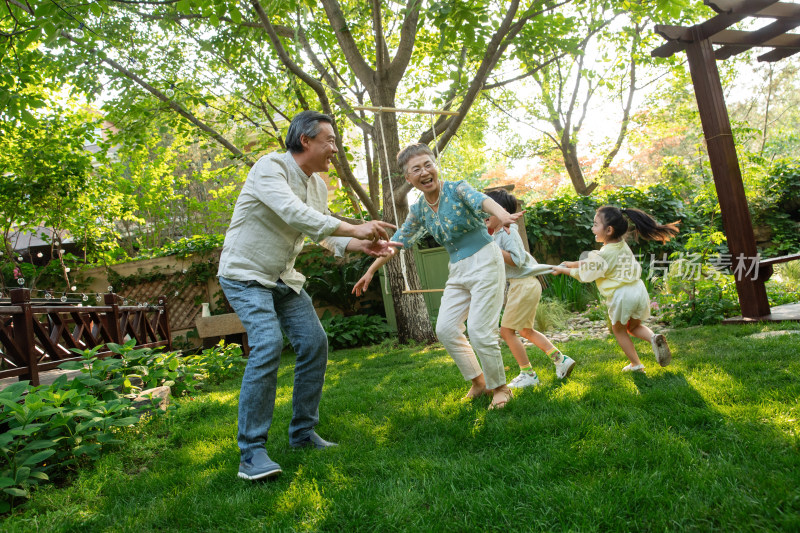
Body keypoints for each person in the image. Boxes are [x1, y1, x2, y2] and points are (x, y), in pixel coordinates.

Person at [218, 110, 400, 481]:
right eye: (329, 141)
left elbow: (324, 233)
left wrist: (359, 246)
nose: (334, 148)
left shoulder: (318, 187)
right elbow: (293, 212)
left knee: (315, 343)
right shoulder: (269, 168)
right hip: (245, 274)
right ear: (306, 140)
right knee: (267, 344)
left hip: (283, 277)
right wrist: (355, 227)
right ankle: (251, 453)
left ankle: (302, 434)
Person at [352, 144, 523, 410]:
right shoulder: (419, 209)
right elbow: (398, 242)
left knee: (479, 330)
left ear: (435, 164)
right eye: (416, 169)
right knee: (444, 328)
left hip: (486, 260)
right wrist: (371, 270)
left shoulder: (456, 188)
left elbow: (482, 200)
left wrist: (502, 214)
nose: (424, 172)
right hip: (458, 268)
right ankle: (479, 382)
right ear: (408, 179)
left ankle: (500, 388)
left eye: (428, 164)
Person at [552, 206, 678, 372]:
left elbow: (585, 274)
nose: (592, 228)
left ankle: (636, 364)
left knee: (618, 330)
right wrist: (571, 263)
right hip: (638, 290)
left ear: (609, 229)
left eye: (596, 224)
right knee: (633, 327)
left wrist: (564, 270)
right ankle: (654, 338)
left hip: (621, 295)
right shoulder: (621, 246)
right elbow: (594, 263)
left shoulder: (604, 254)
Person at [484, 189, 576, 389]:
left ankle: (528, 374)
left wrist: (494, 250)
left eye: (488, 210)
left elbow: (516, 261)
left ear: (503, 213)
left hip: (523, 285)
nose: (484, 214)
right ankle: (561, 360)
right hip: (524, 285)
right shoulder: (498, 235)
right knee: (525, 330)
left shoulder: (509, 232)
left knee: (506, 332)